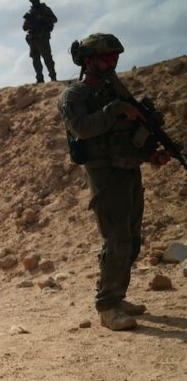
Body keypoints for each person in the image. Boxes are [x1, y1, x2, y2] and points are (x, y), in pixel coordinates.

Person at [57, 33, 171, 331]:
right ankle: (107, 306)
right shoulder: (76, 95)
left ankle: (117, 297)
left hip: (128, 168)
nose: (113, 63)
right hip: (105, 174)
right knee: (117, 238)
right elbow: (81, 127)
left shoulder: (116, 93)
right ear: (89, 61)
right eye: (107, 58)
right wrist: (114, 110)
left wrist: (151, 155)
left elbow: (129, 132)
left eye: (115, 58)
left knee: (132, 239)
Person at [23, 0, 57, 83]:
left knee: (47, 58)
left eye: (35, 0)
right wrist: (29, 20)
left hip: (42, 37)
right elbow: (24, 28)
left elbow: (54, 19)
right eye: (33, 1)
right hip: (33, 38)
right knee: (35, 59)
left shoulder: (45, 9)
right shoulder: (30, 12)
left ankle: (52, 76)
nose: (34, 2)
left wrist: (42, 18)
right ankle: (39, 78)